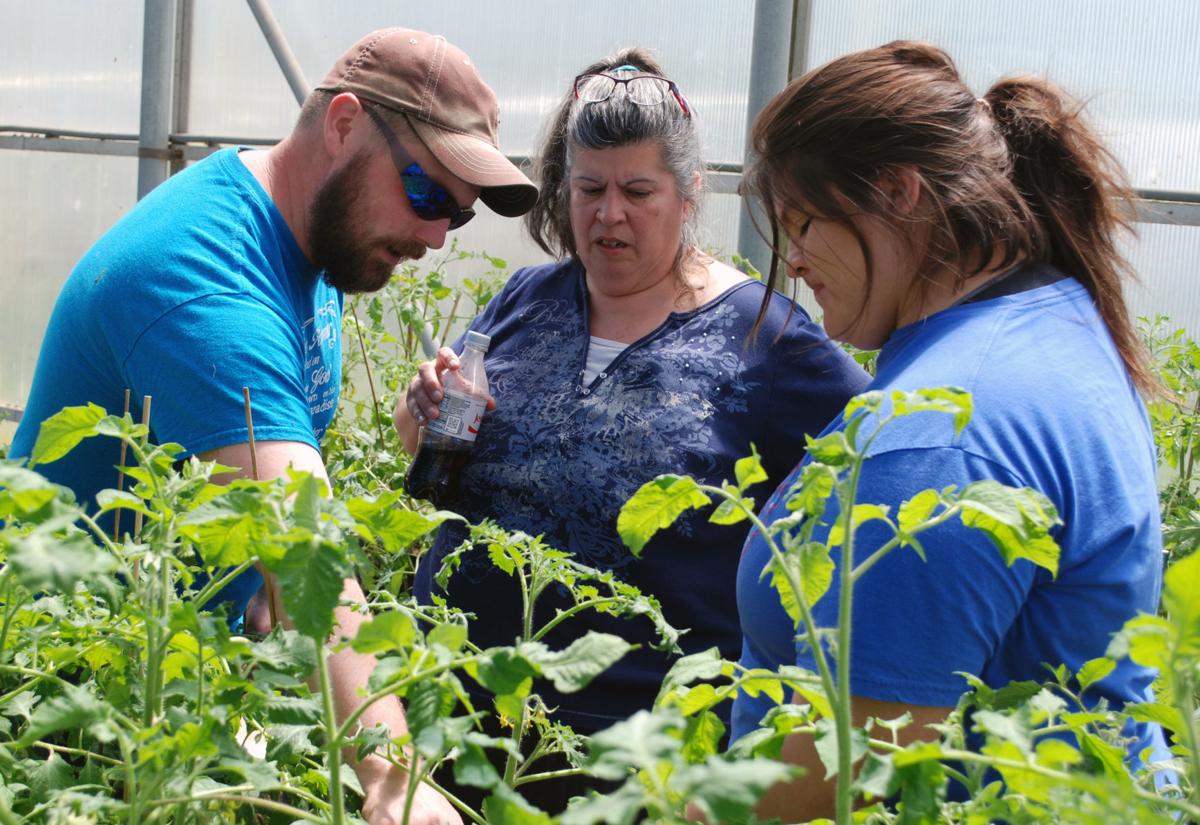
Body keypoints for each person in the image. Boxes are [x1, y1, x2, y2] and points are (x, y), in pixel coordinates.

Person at [9, 27, 538, 825]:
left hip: (188, 695)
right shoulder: (201, 280)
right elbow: (303, 541)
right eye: (427, 195)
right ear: (345, 125)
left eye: (456, 220)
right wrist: (395, 777)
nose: (434, 238)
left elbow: (264, 488)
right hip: (83, 719)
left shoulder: (306, 243)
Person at [394, 49, 869, 811]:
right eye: (588, 189)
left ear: (689, 195)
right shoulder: (528, 297)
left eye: (637, 191)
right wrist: (422, 411)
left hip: (635, 765)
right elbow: (429, 452)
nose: (607, 214)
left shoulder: (765, 339)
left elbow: (879, 465)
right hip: (459, 729)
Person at [731, 41, 1168, 820]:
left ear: (899, 192)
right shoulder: (1053, 318)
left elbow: (840, 770)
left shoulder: (934, 442)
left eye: (801, 222)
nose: (790, 259)